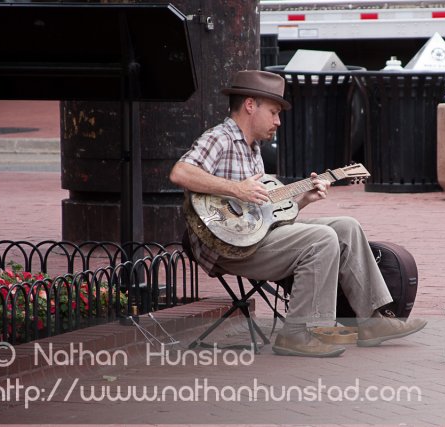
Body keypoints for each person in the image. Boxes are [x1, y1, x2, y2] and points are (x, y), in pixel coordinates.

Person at [170, 70, 427, 357]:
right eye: (274, 112)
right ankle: (299, 333)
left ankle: (372, 321)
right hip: (228, 245)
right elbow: (181, 172)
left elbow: (262, 212)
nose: (278, 121)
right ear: (250, 105)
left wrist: (302, 200)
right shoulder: (219, 138)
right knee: (322, 238)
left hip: (256, 236)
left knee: (346, 226)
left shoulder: (254, 149)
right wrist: (236, 189)